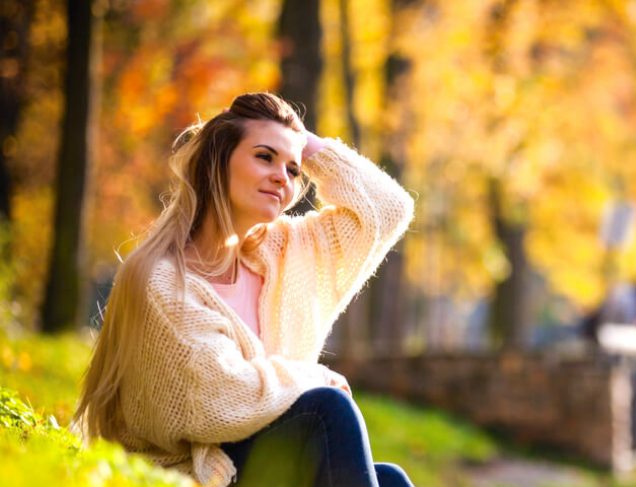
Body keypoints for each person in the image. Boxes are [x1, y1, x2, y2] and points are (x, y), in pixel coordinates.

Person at [70, 93, 415, 487]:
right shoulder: (162, 280)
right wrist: (312, 377)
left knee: (389, 479)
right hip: (198, 476)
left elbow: (388, 209)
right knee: (327, 411)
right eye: (264, 157)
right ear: (218, 161)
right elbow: (222, 398)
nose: (282, 177)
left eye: (293, 169)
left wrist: (309, 144)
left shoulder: (284, 252)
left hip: (266, 462)